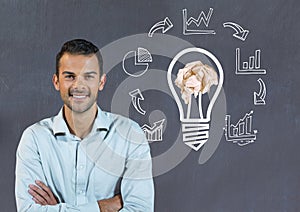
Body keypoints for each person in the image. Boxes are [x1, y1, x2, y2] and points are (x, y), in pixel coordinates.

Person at [15, 39, 154, 211]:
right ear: (56, 81)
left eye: (88, 76)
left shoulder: (130, 134)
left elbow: (140, 209)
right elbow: (28, 210)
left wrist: (59, 209)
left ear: (101, 82)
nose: (79, 85)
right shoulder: (35, 138)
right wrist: (102, 207)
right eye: (70, 76)